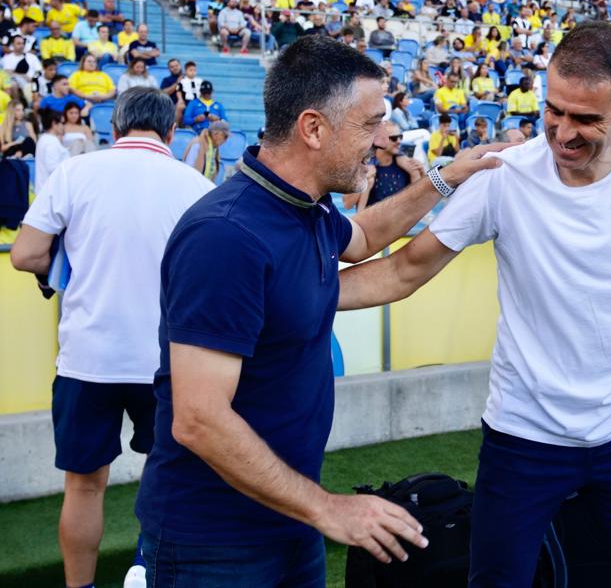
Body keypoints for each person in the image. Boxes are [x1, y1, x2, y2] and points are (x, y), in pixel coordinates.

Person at [336, 21, 611, 587]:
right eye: (554, 110)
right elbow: (403, 270)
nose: (562, 132)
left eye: (585, 119)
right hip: (522, 441)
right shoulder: (505, 176)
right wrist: (302, 292)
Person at [133, 35, 503, 585]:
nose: (381, 142)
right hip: (214, 546)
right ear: (312, 128)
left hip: (289, 521)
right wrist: (328, 508)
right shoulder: (226, 236)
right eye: (370, 124)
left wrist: (445, 180)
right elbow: (198, 418)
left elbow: (362, 241)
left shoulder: (303, 205)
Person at [10, 88, 214, 588]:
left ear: (114, 128)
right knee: (166, 479)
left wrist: (60, 271)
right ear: (171, 132)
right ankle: (148, 571)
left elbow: (26, 254)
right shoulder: (196, 186)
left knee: (83, 486)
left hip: (87, 359)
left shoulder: (74, 173)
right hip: (166, 362)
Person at [358, 121, 426, 209]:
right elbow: (348, 204)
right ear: (379, 141)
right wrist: (366, 182)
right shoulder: (365, 167)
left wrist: (422, 172)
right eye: (394, 138)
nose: (399, 141)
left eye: (400, 137)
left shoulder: (405, 166)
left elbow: (418, 203)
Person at [32, 108, 69, 189]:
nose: (64, 126)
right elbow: (53, 168)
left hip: (46, 190)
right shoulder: (51, 142)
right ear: (54, 124)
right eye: (62, 123)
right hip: (51, 192)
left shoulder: (44, 138)